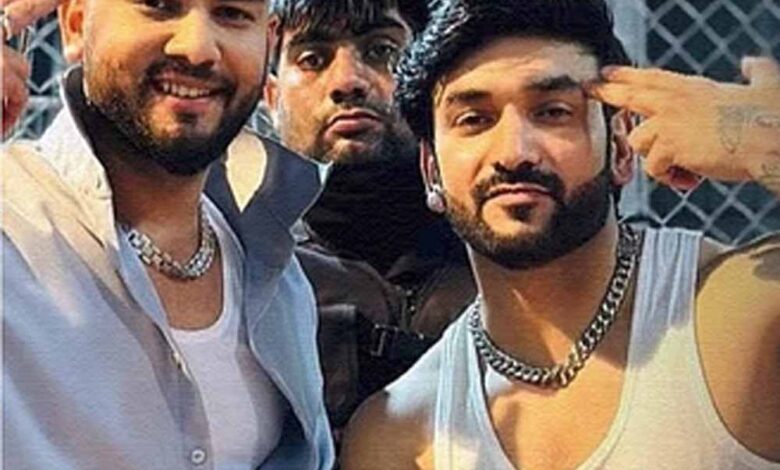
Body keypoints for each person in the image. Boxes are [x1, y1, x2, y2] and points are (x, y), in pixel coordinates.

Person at [341, 0, 780, 468]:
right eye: (474, 120)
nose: (514, 153)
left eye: (552, 112)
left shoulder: (744, 316)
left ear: (620, 146)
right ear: (432, 171)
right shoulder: (401, 435)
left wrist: (771, 143)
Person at [1, 0, 333, 468]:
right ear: (75, 24)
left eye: (232, 14)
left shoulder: (283, 283)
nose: (197, 48)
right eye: (158, 6)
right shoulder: (9, 226)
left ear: (268, 42)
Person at [264, 0, 476, 441]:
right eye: (313, 59)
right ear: (271, 97)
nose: (348, 82)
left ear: (430, 79)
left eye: (381, 51)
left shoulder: (503, 254)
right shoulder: (240, 272)